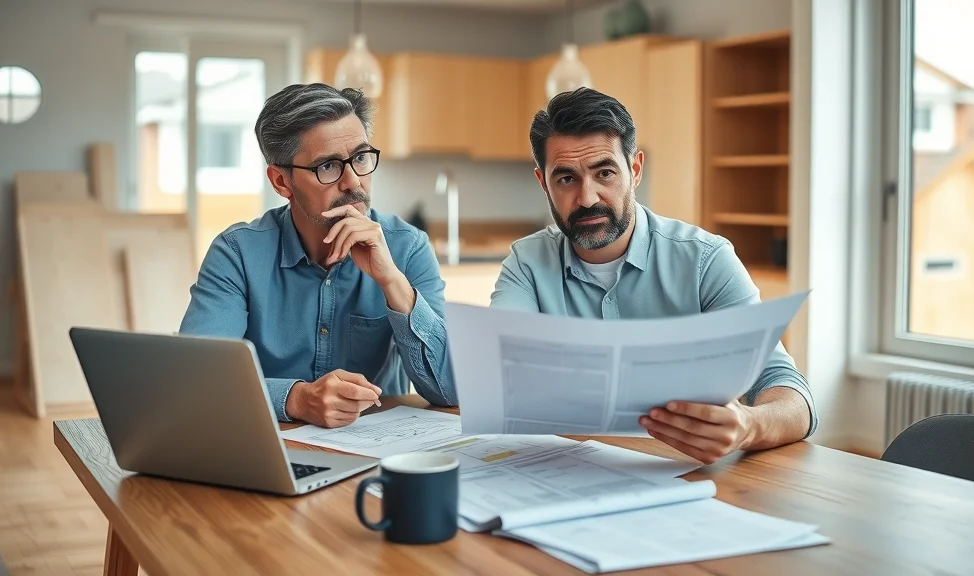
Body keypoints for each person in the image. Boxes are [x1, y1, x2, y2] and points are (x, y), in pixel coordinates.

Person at [490, 88, 816, 464]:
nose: (588, 198)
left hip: (686, 473)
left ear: (635, 170)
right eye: (566, 179)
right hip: (566, 467)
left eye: (605, 173)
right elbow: (505, 370)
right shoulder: (525, 264)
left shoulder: (706, 260)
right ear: (543, 183)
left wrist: (749, 425)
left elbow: (790, 393)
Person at [179, 83, 456, 428]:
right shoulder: (237, 254)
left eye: (360, 157)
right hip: (271, 447)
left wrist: (393, 283)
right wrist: (296, 399)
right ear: (282, 182)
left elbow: (454, 390)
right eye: (328, 166)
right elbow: (196, 381)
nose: (353, 182)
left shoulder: (407, 247)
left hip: (376, 453)